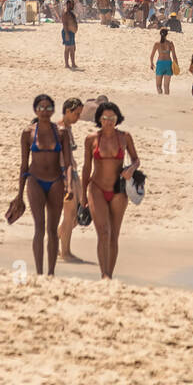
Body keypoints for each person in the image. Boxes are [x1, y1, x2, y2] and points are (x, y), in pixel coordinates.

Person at [13, 95, 72, 276]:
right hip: (35, 180)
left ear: (54, 110)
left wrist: (69, 186)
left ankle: (51, 272)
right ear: (35, 110)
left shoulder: (61, 133)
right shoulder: (28, 133)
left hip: (55, 181)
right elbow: (24, 164)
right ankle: (39, 272)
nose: (44, 111)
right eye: (41, 108)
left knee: (52, 230)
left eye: (48, 108)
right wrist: (19, 193)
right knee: (39, 227)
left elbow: (68, 163)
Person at [81, 101, 141, 279]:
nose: (108, 121)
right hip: (96, 188)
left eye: (112, 118)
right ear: (99, 119)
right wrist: (83, 196)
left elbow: (136, 159)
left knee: (114, 234)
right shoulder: (91, 139)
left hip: (118, 190)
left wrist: (131, 169)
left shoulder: (124, 137)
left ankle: (110, 275)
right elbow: (86, 168)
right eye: (105, 118)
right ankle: (103, 274)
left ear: (117, 118)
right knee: (103, 232)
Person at [58, 97, 85, 262]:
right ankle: (65, 252)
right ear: (67, 111)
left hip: (72, 173)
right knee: (69, 215)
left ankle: (54, 243)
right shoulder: (60, 129)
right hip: (63, 174)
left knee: (75, 217)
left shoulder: (68, 128)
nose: (78, 117)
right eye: (76, 113)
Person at [150, 27, 179, 94]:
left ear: (160, 34)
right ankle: (166, 101)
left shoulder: (157, 44)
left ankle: (161, 100)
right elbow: (174, 56)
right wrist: (176, 65)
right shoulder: (170, 43)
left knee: (158, 86)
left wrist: (151, 64)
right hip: (168, 64)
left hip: (160, 64)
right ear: (167, 34)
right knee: (166, 86)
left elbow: (151, 56)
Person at [61, 0, 79, 70]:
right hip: (67, 32)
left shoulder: (70, 13)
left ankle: (73, 63)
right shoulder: (65, 13)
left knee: (73, 48)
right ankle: (66, 64)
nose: (73, 6)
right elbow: (64, 24)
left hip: (71, 32)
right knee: (67, 48)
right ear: (68, 5)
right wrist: (67, 34)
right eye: (72, 5)